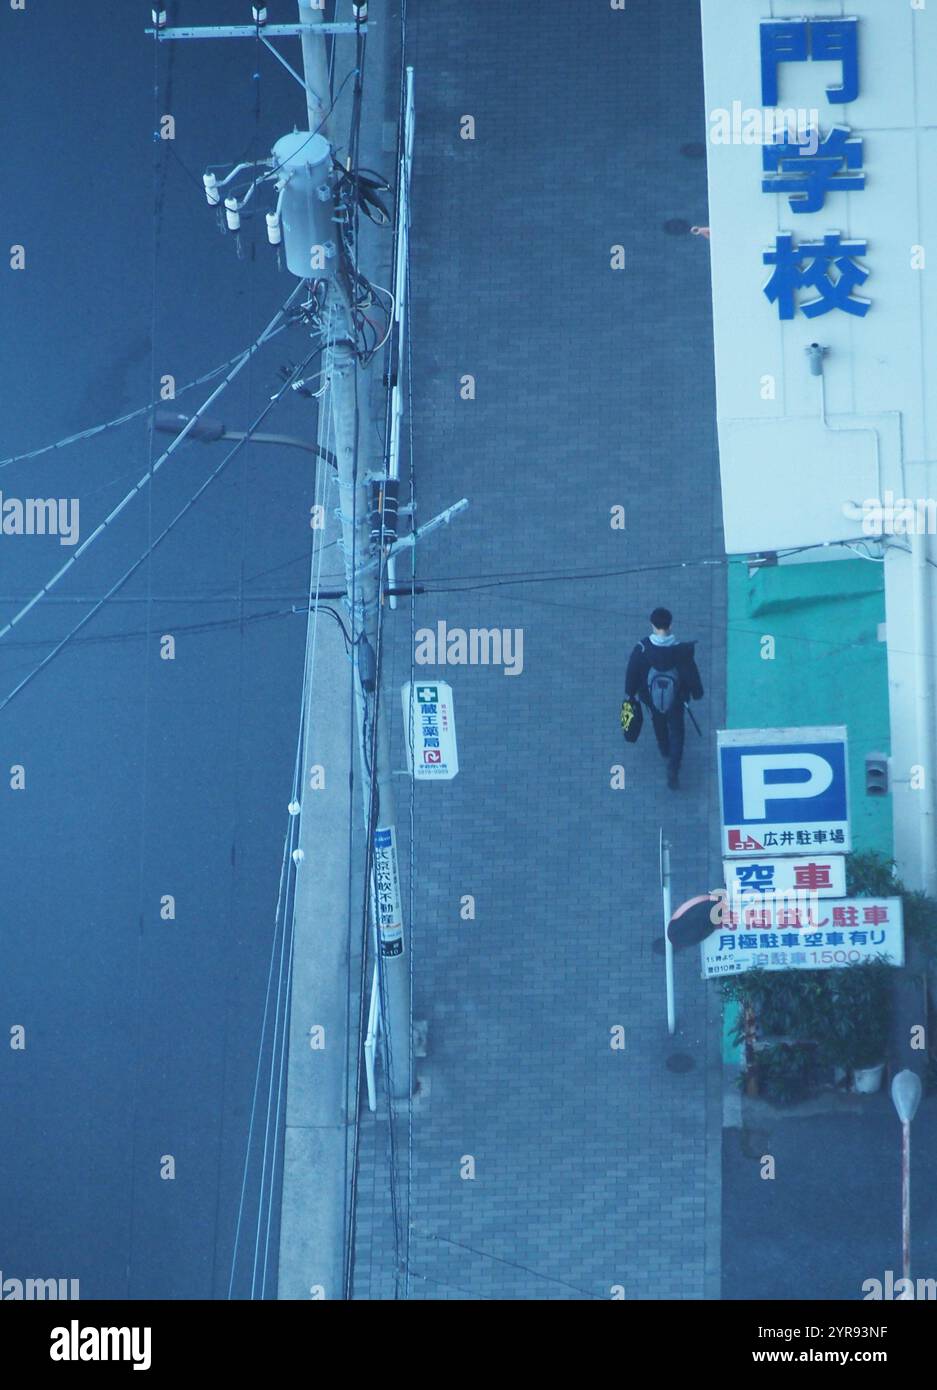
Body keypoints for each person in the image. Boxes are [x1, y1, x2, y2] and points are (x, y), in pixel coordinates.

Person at [625, 607, 703, 790]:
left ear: (652, 625)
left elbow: (632, 674)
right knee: (678, 732)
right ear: (671, 625)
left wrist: (630, 694)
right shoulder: (682, 651)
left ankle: (664, 748)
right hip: (676, 701)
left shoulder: (642, 648)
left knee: (658, 722)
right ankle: (673, 768)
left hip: (651, 699)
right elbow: (692, 677)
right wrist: (696, 693)